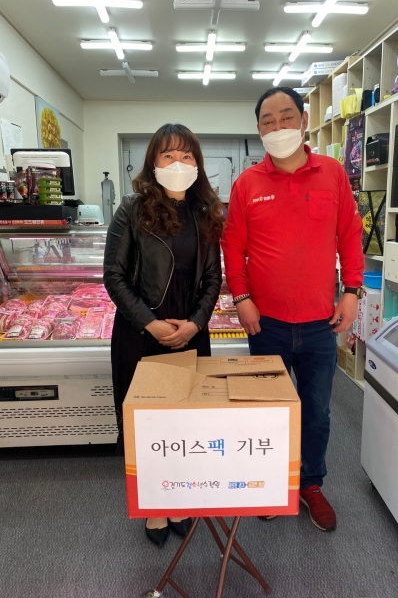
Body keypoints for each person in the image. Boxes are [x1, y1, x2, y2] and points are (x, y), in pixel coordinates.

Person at [221, 87, 364, 532]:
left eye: (286, 116)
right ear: (258, 129)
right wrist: (241, 298)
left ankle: (310, 484)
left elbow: (350, 234)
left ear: (303, 120)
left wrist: (352, 291)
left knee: (316, 413)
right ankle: (269, 483)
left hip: (321, 323)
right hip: (267, 324)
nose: (278, 126)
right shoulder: (247, 184)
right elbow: (232, 245)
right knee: (267, 412)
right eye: (268, 120)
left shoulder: (332, 173)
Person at [104, 123, 223, 547]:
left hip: (190, 332)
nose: (178, 163)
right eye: (168, 155)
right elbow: (114, 276)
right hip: (142, 332)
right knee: (147, 425)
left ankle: (178, 497)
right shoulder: (132, 210)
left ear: (198, 164)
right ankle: (153, 506)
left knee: (184, 425)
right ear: (153, 162)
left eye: (187, 156)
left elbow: (213, 279)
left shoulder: (205, 213)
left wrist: (195, 323)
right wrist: (150, 322)